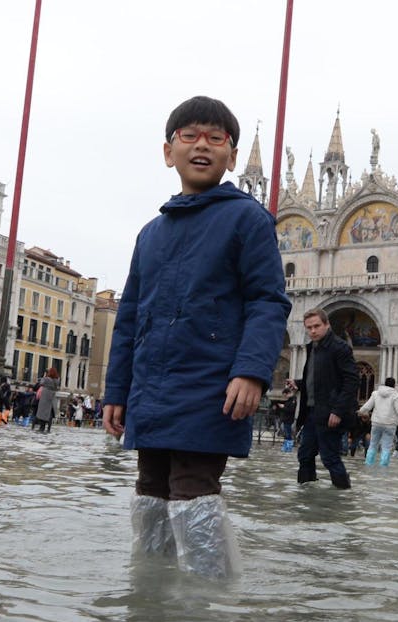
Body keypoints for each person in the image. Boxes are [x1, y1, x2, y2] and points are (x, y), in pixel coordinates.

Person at [102, 96, 291, 579]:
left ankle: (209, 609)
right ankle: (149, 590)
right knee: (149, 486)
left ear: (232, 155)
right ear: (169, 152)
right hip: (151, 386)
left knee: (193, 486)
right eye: (190, 136)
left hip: (210, 384)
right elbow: (129, 318)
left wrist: (251, 371)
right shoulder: (150, 233)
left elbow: (267, 301)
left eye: (216, 137)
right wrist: (116, 391)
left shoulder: (248, 219)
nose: (202, 145)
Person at [291, 308, 358, 488]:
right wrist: (299, 383)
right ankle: (305, 495)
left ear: (326, 325)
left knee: (330, 458)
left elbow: (352, 381)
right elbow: (318, 378)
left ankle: (344, 495)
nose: (313, 331)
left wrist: (338, 410)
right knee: (305, 455)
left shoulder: (339, 347)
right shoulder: (312, 347)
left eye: (316, 326)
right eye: (309, 327)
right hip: (312, 411)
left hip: (330, 413)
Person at [34, 367, 59, 433]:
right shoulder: (57, 380)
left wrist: (44, 376)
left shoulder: (46, 379)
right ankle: (48, 429)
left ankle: (42, 428)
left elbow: (41, 383)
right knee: (49, 414)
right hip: (52, 396)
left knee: (42, 413)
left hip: (45, 396)